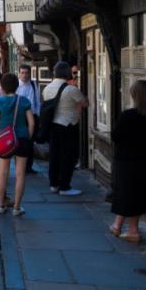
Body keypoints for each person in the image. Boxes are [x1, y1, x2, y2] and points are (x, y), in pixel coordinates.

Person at [109, 80, 146, 243]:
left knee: (128, 195)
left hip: (128, 162)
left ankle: (133, 231)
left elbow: (115, 137)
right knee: (133, 195)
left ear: (136, 96)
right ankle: (117, 226)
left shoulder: (129, 115)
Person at [43, 61, 88, 195]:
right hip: (68, 125)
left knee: (55, 155)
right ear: (67, 72)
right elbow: (85, 103)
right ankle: (65, 186)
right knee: (68, 156)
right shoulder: (70, 89)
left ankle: (54, 184)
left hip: (53, 125)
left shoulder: (47, 88)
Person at [0, 73, 35, 216]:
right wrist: (27, 136)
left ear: (3, 86)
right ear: (16, 86)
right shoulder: (23, 101)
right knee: (20, 174)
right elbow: (31, 123)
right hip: (22, 139)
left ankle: (0, 205)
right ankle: (17, 207)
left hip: (5, 140)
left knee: (3, 173)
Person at [15, 64, 41, 174]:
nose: (24, 75)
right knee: (19, 142)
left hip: (33, 116)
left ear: (30, 74)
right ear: (19, 74)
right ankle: (19, 167)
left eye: (26, 73)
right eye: (22, 73)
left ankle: (29, 167)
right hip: (20, 117)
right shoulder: (15, 86)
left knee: (30, 142)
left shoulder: (34, 84)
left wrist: (38, 115)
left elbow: (37, 101)